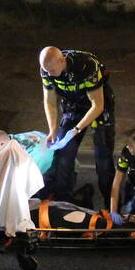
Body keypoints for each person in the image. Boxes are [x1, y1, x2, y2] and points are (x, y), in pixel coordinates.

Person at [37, 46, 116, 207]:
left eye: (52, 70)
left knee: (103, 158)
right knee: (64, 154)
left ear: (62, 61)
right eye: (46, 71)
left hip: (98, 106)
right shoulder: (47, 70)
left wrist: (76, 130)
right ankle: (63, 201)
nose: (49, 74)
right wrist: (53, 129)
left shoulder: (87, 66)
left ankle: (110, 203)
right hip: (73, 105)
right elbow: (49, 101)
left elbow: (97, 106)